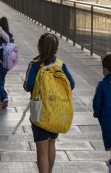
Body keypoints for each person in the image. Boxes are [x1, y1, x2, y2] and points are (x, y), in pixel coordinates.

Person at [23, 33, 75, 173]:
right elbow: (72, 84)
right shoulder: (60, 65)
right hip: (56, 112)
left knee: (41, 149)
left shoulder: (35, 65)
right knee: (51, 143)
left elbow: (28, 85)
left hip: (39, 112)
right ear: (56, 49)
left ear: (39, 47)